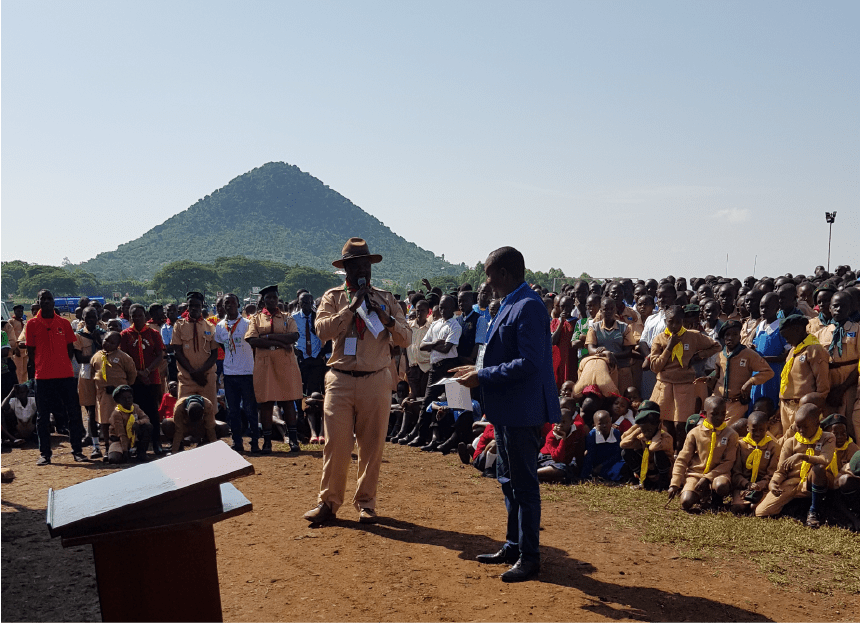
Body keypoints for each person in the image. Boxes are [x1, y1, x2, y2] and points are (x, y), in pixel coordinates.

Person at [454, 246, 561, 583]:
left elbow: (530, 362)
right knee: (508, 481)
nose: (486, 281)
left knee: (524, 486)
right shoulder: (512, 302)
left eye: (489, 273)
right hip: (507, 409)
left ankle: (530, 557)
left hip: (522, 410)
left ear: (503, 273)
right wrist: (477, 368)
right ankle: (513, 545)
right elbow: (503, 352)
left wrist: (481, 376)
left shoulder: (527, 306)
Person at [304, 238, 410, 525]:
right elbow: (322, 331)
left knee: (372, 445)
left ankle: (366, 503)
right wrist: (352, 307)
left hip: (376, 379)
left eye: (367, 264)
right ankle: (328, 502)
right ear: (346, 269)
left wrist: (385, 318)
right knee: (336, 444)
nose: (363, 269)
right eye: (357, 265)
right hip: (339, 379)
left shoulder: (387, 298)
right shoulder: (333, 297)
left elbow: (405, 337)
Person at [26, 289, 88, 465]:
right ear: (38, 302)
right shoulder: (31, 324)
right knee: (43, 417)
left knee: (73, 413)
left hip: (65, 375)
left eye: (49, 299)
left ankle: (77, 451)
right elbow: (31, 351)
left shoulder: (64, 323)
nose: (45, 301)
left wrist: (60, 363)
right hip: (43, 376)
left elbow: (70, 349)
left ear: (53, 302)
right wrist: (43, 364)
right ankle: (45, 454)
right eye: (42, 299)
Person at [649, 305, 721, 451]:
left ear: (683, 320)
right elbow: (655, 367)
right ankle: (667, 452)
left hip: (685, 385)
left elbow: (716, 346)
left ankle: (679, 452)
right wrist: (669, 348)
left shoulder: (692, 336)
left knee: (681, 424)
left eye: (678, 322)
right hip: (665, 385)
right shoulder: (660, 339)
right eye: (670, 322)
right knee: (666, 423)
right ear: (665, 321)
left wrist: (699, 356)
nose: (674, 326)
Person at [755, 403, 835, 528]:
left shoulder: (828, 438)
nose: (801, 431)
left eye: (805, 427)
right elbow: (781, 470)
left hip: (815, 480)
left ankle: (814, 511)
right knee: (761, 512)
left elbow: (825, 459)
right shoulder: (790, 442)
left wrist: (802, 456)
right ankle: (797, 507)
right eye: (798, 427)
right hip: (792, 483)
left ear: (817, 424)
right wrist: (773, 483)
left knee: (818, 468)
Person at [245, 285, 302, 453]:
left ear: (278, 299)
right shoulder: (256, 319)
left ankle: (293, 440)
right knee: (266, 403)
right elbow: (253, 340)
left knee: (288, 401)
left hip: (285, 363)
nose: (271, 300)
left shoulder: (287, 317)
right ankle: (268, 442)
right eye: (268, 298)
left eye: (274, 298)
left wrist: (268, 337)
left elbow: (293, 336)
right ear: (263, 300)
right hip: (265, 363)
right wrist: (279, 342)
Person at [407, 294, 461, 447]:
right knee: (428, 402)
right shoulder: (435, 325)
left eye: (446, 307)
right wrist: (436, 342)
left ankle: (447, 439)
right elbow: (422, 346)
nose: (443, 310)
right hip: (435, 367)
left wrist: (432, 344)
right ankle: (422, 436)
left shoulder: (455, 326)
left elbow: (446, 349)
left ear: (453, 309)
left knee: (452, 402)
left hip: (449, 367)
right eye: (441, 307)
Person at [668, 396, 739, 512]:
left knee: (721, 485)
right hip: (696, 474)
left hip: (718, 475)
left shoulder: (731, 435)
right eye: (714, 414)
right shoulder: (695, 433)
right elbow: (682, 459)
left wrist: (707, 478)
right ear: (705, 414)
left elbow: (729, 462)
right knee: (686, 502)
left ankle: (716, 499)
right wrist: (674, 483)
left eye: (723, 413)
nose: (720, 417)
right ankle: (702, 495)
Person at [699, 321, 773, 426]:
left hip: (736, 404)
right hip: (718, 402)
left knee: (729, 432)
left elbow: (768, 372)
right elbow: (718, 374)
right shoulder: (720, 355)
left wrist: (750, 382)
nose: (730, 338)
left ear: (740, 336)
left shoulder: (748, 354)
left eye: (734, 334)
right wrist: (709, 379)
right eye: (727, 335)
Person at [215, 293, 259, 453]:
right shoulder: (220, 326)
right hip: (229, 374)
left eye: (233, 303)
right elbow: (221, 345)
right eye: (227, 303)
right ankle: (237, 442)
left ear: (238, 304)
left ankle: (255, 442)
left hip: (247, 372)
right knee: (232, 410)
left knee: (250, 409)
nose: (230, 306)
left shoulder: (247, 324)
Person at [120, 304, 165, 454]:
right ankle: (137, 444)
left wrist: (147, 370)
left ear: (145, 316)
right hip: (134, 379)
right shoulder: (125, 335)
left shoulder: (153, 333)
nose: (137, 318)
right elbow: (125, 358)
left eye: (140, 315)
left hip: (152, 378)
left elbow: (160, 355)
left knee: (153, 410)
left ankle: (156, 442)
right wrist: (138, 373)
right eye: (134, 316)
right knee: (134, 412)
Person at [813, 291, 860, 437]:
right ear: (830, 309)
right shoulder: (822, 334)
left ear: (850, 308)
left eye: (843, 306)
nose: (838, 309)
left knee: (850, 423)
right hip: (828, 384)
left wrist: (843, 388)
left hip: (850, 383)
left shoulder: (857, 330)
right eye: (835, 306)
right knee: (828, 423)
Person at [777, 315, 830, 438]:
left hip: (802, 408)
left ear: (798, 330)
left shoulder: (814, 349)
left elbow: (822, 384)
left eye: (787, 336)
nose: (786, 341)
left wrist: (815, 408)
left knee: (804, 443)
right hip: (786, 407)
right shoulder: (793, 351)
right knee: (790, 444)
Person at [91, 331, 138, 456]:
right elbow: (93, 373)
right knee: (105, 422)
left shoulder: (124, 357)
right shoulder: (96, 356)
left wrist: (123, 389)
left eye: (112, 342)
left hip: (120, 397)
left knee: (124, 421)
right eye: (106, 340)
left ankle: (129, 446)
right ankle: (107, 448)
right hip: (104, 396)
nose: (107, 344)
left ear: (118, 345)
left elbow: (132, 374)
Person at [172, 292, 218, 408]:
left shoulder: (210, 326)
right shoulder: (179, 325)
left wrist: (201, 372)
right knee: (183, 412)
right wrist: (193, 373)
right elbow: (177, 352)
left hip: (206, 378)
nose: (193, 308)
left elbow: (214, 354)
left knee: (209, 411)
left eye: (197, 305)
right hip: (187, 378)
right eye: (190, 305)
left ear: (202, 306)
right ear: (187, 307)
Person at [729, 411, 780, 515]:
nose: (757, 433)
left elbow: (772, 473)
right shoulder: (740, 445)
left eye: (761, 430)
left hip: (763, 486)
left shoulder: (773, 447)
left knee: (754, 508)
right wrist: (747, 484)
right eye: (754, 430)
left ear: (767, 429)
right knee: (738, 509)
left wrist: (759, 485)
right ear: (747, 428)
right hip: (744, 486)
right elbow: (736, 472)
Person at [73, 306, 106, 458]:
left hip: (104, 376)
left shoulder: (104, 333)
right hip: (87, 377)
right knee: (91, 411)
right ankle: (95, 446)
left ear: (98, 317)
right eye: (87, 318)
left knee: (106, 409)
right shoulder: (79, 336)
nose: (91, 320)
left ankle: (110, 445)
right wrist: (97, 357)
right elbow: (80, 358)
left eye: (93, 317)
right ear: (83, 319)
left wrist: (99, 342)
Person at [620, 401, 674, 490]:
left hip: (661, 470)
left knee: (658, 453)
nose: (644, 417)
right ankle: (644, 481)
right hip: (648, 467)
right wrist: (638, 427)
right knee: (626, 452)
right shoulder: (642, 432)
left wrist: (652, 430)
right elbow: (623, 442)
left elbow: (653, 447)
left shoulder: (664, 435)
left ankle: (662, 484)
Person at [106, 385, 152, 464]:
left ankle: (141, 452)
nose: (128, 400)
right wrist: (125, 451)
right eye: (124, 399)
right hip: (119, 440)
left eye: (130, 397)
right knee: (114, 459)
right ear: (118, 400)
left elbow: (146, 418)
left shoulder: (135, 407)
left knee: (148, 426)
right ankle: (125, 452)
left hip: (133, 438)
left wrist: (137, 423)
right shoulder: (116, 414)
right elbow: (121, 434)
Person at [536, 407, 583, 483]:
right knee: (561, 468)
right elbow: (557, 458)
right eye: (557, 422)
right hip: (548, 457)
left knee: (571, 469)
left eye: (564, 422)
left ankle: (548, 476)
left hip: (565, 459)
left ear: (571, 422)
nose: (560, 425)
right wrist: (562, 440)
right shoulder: (551, 436)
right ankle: (534, 473)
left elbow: (579, 450)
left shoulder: (576, 430)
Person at [581, 410, 626, 481]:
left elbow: (617, 454)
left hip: (612, 462)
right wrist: (585, 475)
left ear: (611, 423)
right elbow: (590, 455)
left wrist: (602, 465)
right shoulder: (592, 435)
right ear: (594, 425)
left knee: (623, 466)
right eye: (600, 424)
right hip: (597, 464)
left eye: (607, 422)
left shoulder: (616, 433)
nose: (604, 426)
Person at [9, 305, 28, 384]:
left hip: (25, 349)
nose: (20, 313)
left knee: (25, 370)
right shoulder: (11, 321)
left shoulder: (23, 322)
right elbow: (10, 335)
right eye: (18, 311)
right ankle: (18, 386)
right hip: (17, 350)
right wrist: (15, 348)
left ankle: (24, 385)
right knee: (18, 370)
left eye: (21, 311)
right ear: (14, 312)